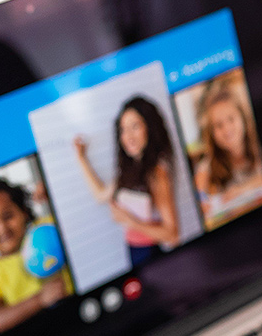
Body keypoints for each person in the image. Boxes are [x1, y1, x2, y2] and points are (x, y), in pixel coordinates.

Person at [73, 95, 181, 267]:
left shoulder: (156, 173)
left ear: (149, 128)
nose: (128, 136)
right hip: (133, 250)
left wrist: (129, 220)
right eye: (123, 129)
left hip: (151, 252)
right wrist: (81, 158)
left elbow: (172, 234)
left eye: (135, 126)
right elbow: (101, 195)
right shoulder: (129, 170)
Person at [0, 178, 71, 331]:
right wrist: (40, 299)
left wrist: (54, 192)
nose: (2, 228)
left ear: (24, 212)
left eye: (8, 216)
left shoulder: (46, 227)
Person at [192, 79, 262, 229]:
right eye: (218, 125)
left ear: (243, 118)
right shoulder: (207, 165)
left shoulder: (260, 145)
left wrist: (242, 190)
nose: (226, 129)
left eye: (231, 119)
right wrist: (202, 199)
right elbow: (199, 191)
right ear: (212, 133)